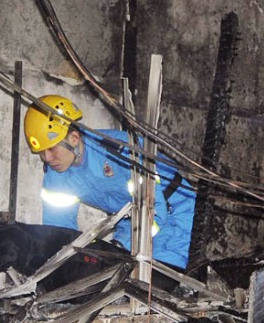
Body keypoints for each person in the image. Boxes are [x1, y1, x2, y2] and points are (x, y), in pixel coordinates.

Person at [23, 94, 196, 269]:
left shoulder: (118, 151)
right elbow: (58, 228)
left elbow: (154, 210)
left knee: (158, 281)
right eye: (41, 152)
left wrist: (121, 246)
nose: (47, 158)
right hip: (132, 222)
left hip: (176, 213)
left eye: (51, 149)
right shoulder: (56, 175)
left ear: (74, 138)